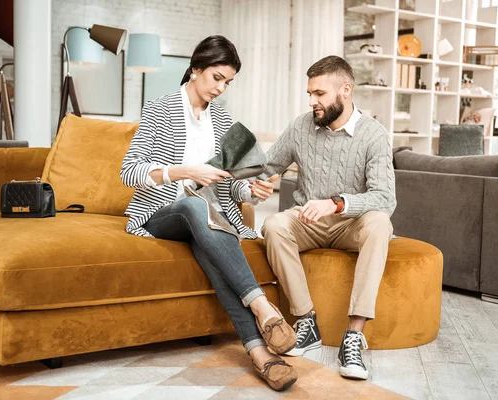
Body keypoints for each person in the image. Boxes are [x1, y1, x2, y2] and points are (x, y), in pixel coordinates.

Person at [120, 35, 297, 391]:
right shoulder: (160, 108)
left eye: (228, 82)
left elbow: (227, 182)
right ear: (196, 68)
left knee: (207, 237)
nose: (221, 87)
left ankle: (260, 354)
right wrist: (187, 171)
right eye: (217, 77)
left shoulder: (223, 120)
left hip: (209, 219)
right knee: (191, 203)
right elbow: (129, 171)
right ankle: (262, 307)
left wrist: (251, 191)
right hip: (162, 212)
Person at [258, 55, 396, 380]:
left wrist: (335, 204)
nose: (312, 101)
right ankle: (306, 322)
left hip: (351, 223)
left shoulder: (374, 135)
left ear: (345, 90)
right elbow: (266, 167)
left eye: (319, 94)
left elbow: (384, 198)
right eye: (309, 94)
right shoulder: (301, 126)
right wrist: (254, 179)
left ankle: (354, 334)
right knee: (274, 224)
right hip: (309, 222)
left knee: (380, 223)